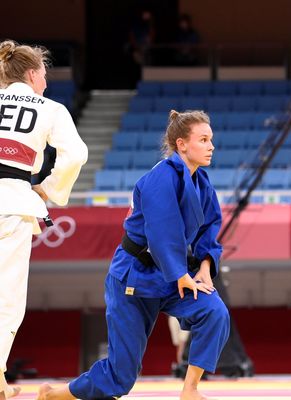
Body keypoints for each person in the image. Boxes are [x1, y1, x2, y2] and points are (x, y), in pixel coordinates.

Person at [37, 110, 230, 400]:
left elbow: (209, 228)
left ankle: (190, 390)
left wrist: (204, 266)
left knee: (214, 311)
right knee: (121, 377)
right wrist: (180, 274)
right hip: (135, 274)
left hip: (173, 274)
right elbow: (161, 233)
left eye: (211, 139)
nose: (211, 146)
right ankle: (52, 395)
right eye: (203, 140)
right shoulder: (160, 178)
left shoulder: (202, 182)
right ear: (182, 144)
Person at [0, 40, 88, 400]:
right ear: (33, 74)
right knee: (6, 297)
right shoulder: (48, 108)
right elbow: (76, 154)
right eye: (45, 75)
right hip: (13, 201)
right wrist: (48, 189)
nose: (47, 83)